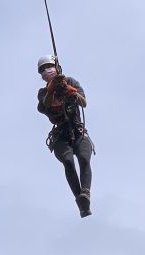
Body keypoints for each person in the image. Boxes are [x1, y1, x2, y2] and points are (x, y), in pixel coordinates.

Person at [37, 55, 94, 218]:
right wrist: (52, 89)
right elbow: (45, 106)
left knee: (84, 158)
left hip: (77, 131)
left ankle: (86, 194)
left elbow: (84, 103)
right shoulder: (43, 92)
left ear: (57, 67)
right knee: (68, 161)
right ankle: (80, 201)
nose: (47, 70)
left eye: (49, 66)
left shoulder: (71, 82)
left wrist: (71, 92)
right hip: (61, 135)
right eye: (43, 69)